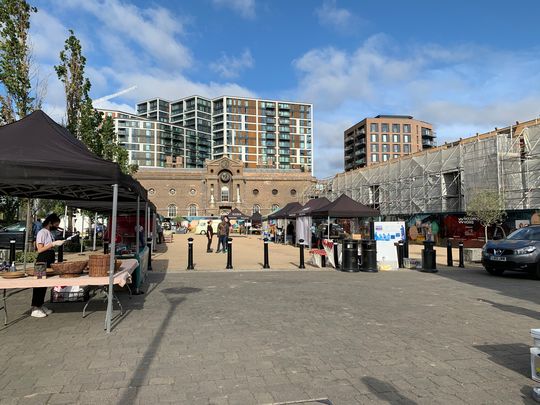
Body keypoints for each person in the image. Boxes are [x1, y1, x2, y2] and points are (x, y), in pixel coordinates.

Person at [33, 213, 65, 318]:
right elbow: (40, 249)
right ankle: (35, 308)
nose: (56, 227)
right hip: (42, 260)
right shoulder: (42, 232)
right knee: (39, 284)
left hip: (49, 257)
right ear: (50, 223)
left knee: (44, 284)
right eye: (55, 224)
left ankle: (40, 305)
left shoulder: (48, 233)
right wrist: (53, 244)